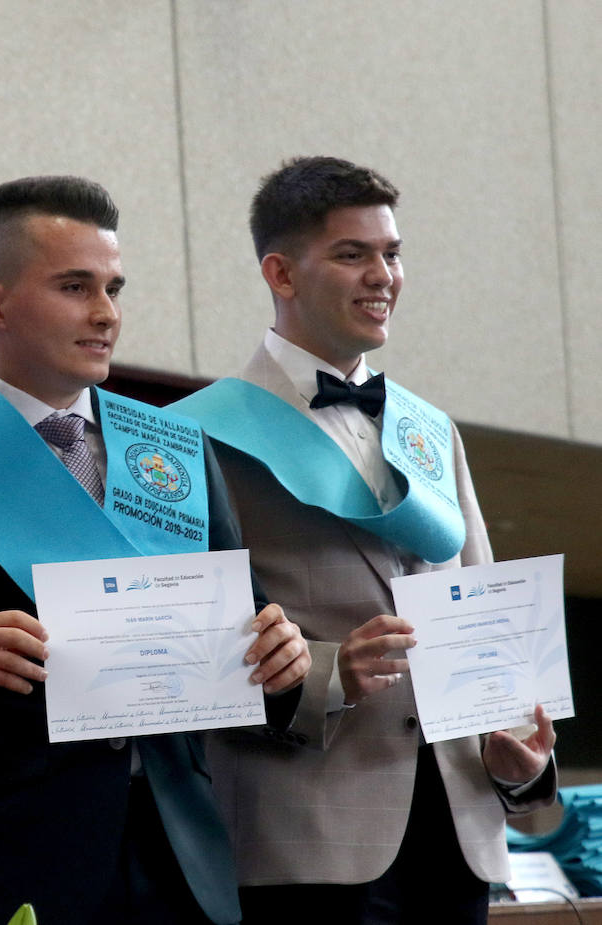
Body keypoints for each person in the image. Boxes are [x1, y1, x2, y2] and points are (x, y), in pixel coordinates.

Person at [0, 176, 312, 924]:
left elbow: (248, 633)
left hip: (179, 858)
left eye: (113, 288)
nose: (106, 314)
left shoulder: (173, 449)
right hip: (8, 855)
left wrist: (282, 661)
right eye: (75, 286)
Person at [174, 156, 558, 924]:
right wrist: (329, 671)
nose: (383, 274)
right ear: (280, 273)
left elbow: (479, 603)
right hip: (304, 836)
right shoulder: (194, 435)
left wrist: (521, 758)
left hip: (456, 829)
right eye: (353, 254)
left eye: (392, 252)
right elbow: (183, 644)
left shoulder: (430, 427)